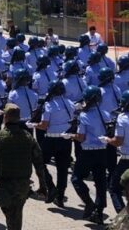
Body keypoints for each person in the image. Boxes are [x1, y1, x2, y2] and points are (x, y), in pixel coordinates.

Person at [0, 103, 47, 230]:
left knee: (11, 214)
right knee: (15, 213)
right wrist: (42, 185)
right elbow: (39, 162)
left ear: (5, 117)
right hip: (23, 184)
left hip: (5, 184)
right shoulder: (28, 137)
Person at [68, 85, 111, 225]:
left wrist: (70, 135)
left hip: (88, 152)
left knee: (76, 178)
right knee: (100, 182)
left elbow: (81, 137)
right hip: (102, 151)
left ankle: (88, 202)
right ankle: (99, 212)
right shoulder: (106, 113)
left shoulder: (84, 115)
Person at [31, 80, 75, 208]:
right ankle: (60, 197)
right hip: (65, 139)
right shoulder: (70, 103)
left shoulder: (49, 105)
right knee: (62, 169)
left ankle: (50, 186)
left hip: (51, 139)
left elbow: (44, 125)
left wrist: (34, 125)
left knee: (39, 162)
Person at [105, 90, 129, 214]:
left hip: (126, 160)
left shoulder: (123, 118)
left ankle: (123, 217)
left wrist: (107, 140)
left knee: (114, 188)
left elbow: (118, 141)